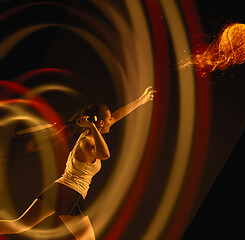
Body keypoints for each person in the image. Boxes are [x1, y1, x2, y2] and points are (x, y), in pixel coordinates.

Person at [0, 86, 156, 239]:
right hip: (69, 194)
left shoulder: (88, 135)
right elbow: (105, 154)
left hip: (58, 189)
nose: (112, 120)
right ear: (100, 123)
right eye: (108, 119)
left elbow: (116, 116)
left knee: (19, 225)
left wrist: (140, 101)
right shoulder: (88, 143)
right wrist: (92, 126)